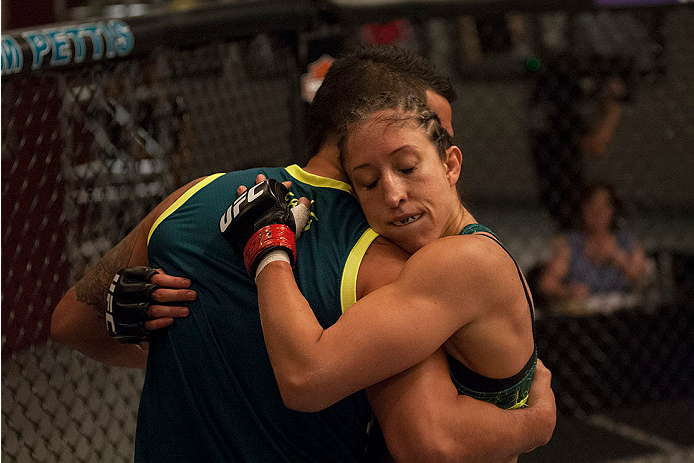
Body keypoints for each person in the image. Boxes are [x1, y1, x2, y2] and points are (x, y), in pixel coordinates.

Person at [51, 45, 555, 462]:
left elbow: (71, 321)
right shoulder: (391, 262)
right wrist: (534, 424)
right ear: (369, 122)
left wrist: (165, 343)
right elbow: (426, 439)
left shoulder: (192, 197)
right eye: (430, 128)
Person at [242, 93, 538, 427]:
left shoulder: (461, 261)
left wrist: (269, 245)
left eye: (408, 168)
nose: (393, 195)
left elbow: (305, 379)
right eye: (369, 182)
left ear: (450, 165)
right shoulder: (480, 249)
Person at [530, 55, 628, 230]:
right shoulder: (558, 116)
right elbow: (595, 146)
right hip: (566, 198)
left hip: (561, 194)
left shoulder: (547, 113)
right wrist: (613, 106)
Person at [538, 180, 648, 312]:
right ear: (583, 210)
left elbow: (641, 275)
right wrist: (568, 291)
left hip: (621, 311)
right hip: (585, 311)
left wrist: (616, 255)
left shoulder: (626, 241)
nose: (598, 213)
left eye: (604, 207)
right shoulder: (571, 243)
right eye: (592, 206)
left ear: (613, 210)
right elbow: (547, 284)